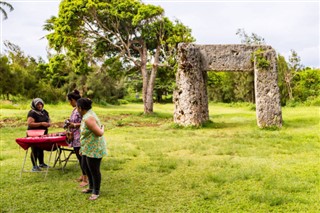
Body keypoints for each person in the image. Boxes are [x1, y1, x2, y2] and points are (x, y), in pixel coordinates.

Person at [77, 98, 107, 201]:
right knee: (85, 166)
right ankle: (91, 187)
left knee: (94, 170)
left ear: (80, 108)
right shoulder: (87, 115)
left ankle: (96, 191)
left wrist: (102, 128)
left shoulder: (88, 118)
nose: (76, 109)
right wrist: (82, 147)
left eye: (77, 107)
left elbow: (99, 133)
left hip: (94, 148)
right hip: (87, 147)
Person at [66, 89, 88, 187]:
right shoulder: (75, 109)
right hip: (75, 136)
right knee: (79, 158)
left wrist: (74, 125)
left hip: (80, 136)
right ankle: (83, 175)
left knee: (82, 157)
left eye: (70, 101)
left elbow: (85, 122)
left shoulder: (81, 109)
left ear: (73, 100)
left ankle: (86, 179)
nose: (69, 103)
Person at [27, 98, 51, 171]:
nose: (39, 105)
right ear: (34, 105)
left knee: (41, 148)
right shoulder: (32, 113)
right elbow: (30, 123)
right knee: (34, 149)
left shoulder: (44, 112)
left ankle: (41, 163)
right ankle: (34, 166)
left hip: (43, 133)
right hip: (34, 134)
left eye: (41, 104)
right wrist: (41, 124)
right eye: (37, 104)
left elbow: (48, 119)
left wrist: (48, 123)